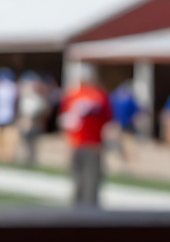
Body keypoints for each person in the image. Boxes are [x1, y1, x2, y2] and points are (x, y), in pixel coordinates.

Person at [59, 65, 111, 207]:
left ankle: (78, 209)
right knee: (90, 181)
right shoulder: (98, 95)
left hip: (78, 143)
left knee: (79, 180)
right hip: (91, 144)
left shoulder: (72, 95)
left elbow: (66, 123)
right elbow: (108, 121)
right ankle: (88, 211)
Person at [15, 70, 49, 168]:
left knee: (33, 145)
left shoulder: (39, 99)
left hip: (34, 125)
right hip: (25, 124)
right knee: (24, 144)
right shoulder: (25, 98)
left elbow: (43, 112)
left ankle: (31, 162)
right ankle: (26, 161)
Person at [0, 68, 19, 164]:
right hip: (8, 113)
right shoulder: (13, 87)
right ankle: (6, 156)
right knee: (7, 136)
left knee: (0, 136)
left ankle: (0, 155)